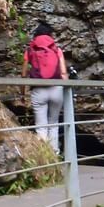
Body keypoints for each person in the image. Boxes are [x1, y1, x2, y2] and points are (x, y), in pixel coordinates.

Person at [22, 23, 68, 151]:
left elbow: (23, 73)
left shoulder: (30, 50)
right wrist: (65, 90)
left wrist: (22, 92)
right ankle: (55, 155)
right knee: (53, 124)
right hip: (56, 88)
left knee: (41, 126)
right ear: (50, 35)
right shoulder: (56, 49)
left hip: (38, 89)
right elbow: (63, 73)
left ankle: (44, 158)